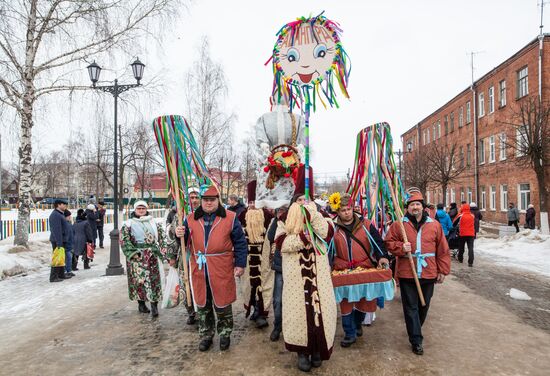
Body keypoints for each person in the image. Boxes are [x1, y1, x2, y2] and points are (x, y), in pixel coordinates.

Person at [275, 166, 336, 372]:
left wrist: (314, 214)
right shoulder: (283, 220)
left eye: (305, 201)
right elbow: (282, 244)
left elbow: (327, 233)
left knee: (319, 311)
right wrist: (302, 238)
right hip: (295, 278)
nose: (302, 204)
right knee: (299, 314)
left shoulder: (321, 216)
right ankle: (302, 352)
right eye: (299, 201)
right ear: (293, 203)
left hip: (319, 277)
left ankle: (318, 349)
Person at [174, 185, 248, 352]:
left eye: (212, 200)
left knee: (222, 303)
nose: (208, 203)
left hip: (221, 266)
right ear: (201, 201)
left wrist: (240, 264)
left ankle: (225, 333)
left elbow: (240, 243)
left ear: (218, 200)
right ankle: (206, 334)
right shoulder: (190, 218)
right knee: (203, 304)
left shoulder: (230, 217)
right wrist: (179, 233)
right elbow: (184, 243)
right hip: (199, 268)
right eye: (205, 200)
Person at [385, 189, 451, 356]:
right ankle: (416, 340)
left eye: (417, 204)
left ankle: (415, 328)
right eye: (412, 205)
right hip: (408, 272)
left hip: (428, 272)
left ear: (423, 206)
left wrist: (443, 270)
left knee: (424, 306)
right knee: (410, 307)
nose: (415, 207)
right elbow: (389, 242)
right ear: (407, 207)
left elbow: (442, 249)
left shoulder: (434, 225)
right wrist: (401, 247)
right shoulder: (399, 224)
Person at [330, 192, 390, 348]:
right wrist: (329, 265)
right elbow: (328, 249)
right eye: (343, 210)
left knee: (365, 302)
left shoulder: (367, 224)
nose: (347, 212)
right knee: (346, 303)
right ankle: (349, 333)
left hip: (364, 269)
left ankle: (357, 324)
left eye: (349, 209)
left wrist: (383, 257)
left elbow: (378, 243)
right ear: (338, 212)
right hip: (343, 270)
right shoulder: (333, 228)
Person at [120, 200, 166, 317]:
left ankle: (154, 306)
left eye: (143, 208)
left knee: (154, 281)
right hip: (137, 257)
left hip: (152, 256)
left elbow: (162, 237)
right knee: (139, 281)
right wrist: (133, 253)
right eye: (139, 209)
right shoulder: (128, 224)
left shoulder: (154, 222)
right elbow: (124, 240)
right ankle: (141, 304)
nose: (141, 210)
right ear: (135, 210)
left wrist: (163, 249)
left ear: (146, 209)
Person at [239, 180, 275, 329]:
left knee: (264, 286)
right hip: (247, 259)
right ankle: (254, 309)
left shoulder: (268, 217)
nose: (253, 204)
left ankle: (262, 314)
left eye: (256, 201)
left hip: (264, 259)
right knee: (249, 286)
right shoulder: (241, 216)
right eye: (251, 201)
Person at [166, 187, 201, 325]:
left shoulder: (205, 214)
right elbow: (171, 237)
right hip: (184, 255)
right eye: (191, 197)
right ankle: (191, 311)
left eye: (196, 197)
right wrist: (172, 256)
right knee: (185, 282)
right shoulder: (179, 215)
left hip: (200, 255)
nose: (194, 200)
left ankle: (203, 310)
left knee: (199, 283)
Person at [266, 204, 288, 342]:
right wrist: (276, 219)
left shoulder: (295, 219)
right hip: (280, 266)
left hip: (295, 267)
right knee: (278, 300)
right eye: (278, 210)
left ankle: (290, 327)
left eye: (283, 210)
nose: (281, 212)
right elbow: (270, 237)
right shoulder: (275, 222)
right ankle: (277, 326)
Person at [49, 199, 69, 282]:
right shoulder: (55, 215)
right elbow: (56, 230)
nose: (65, 206)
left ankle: (61, 274)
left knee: (61, 257)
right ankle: (53, 277)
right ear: (58, 205)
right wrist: (59, 242)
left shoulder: (60, 214)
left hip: (61, 240)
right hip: (58, 240)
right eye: (63, 204)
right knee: (57, 258)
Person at [63, 210, 75, 277]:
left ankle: (69, 270)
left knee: (69, 258)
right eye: (69, 216)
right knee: (68, 258)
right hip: (67, 244)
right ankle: (66, 271)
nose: (70, 217)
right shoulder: (66, 224)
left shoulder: (69, 223)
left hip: (70, 244)